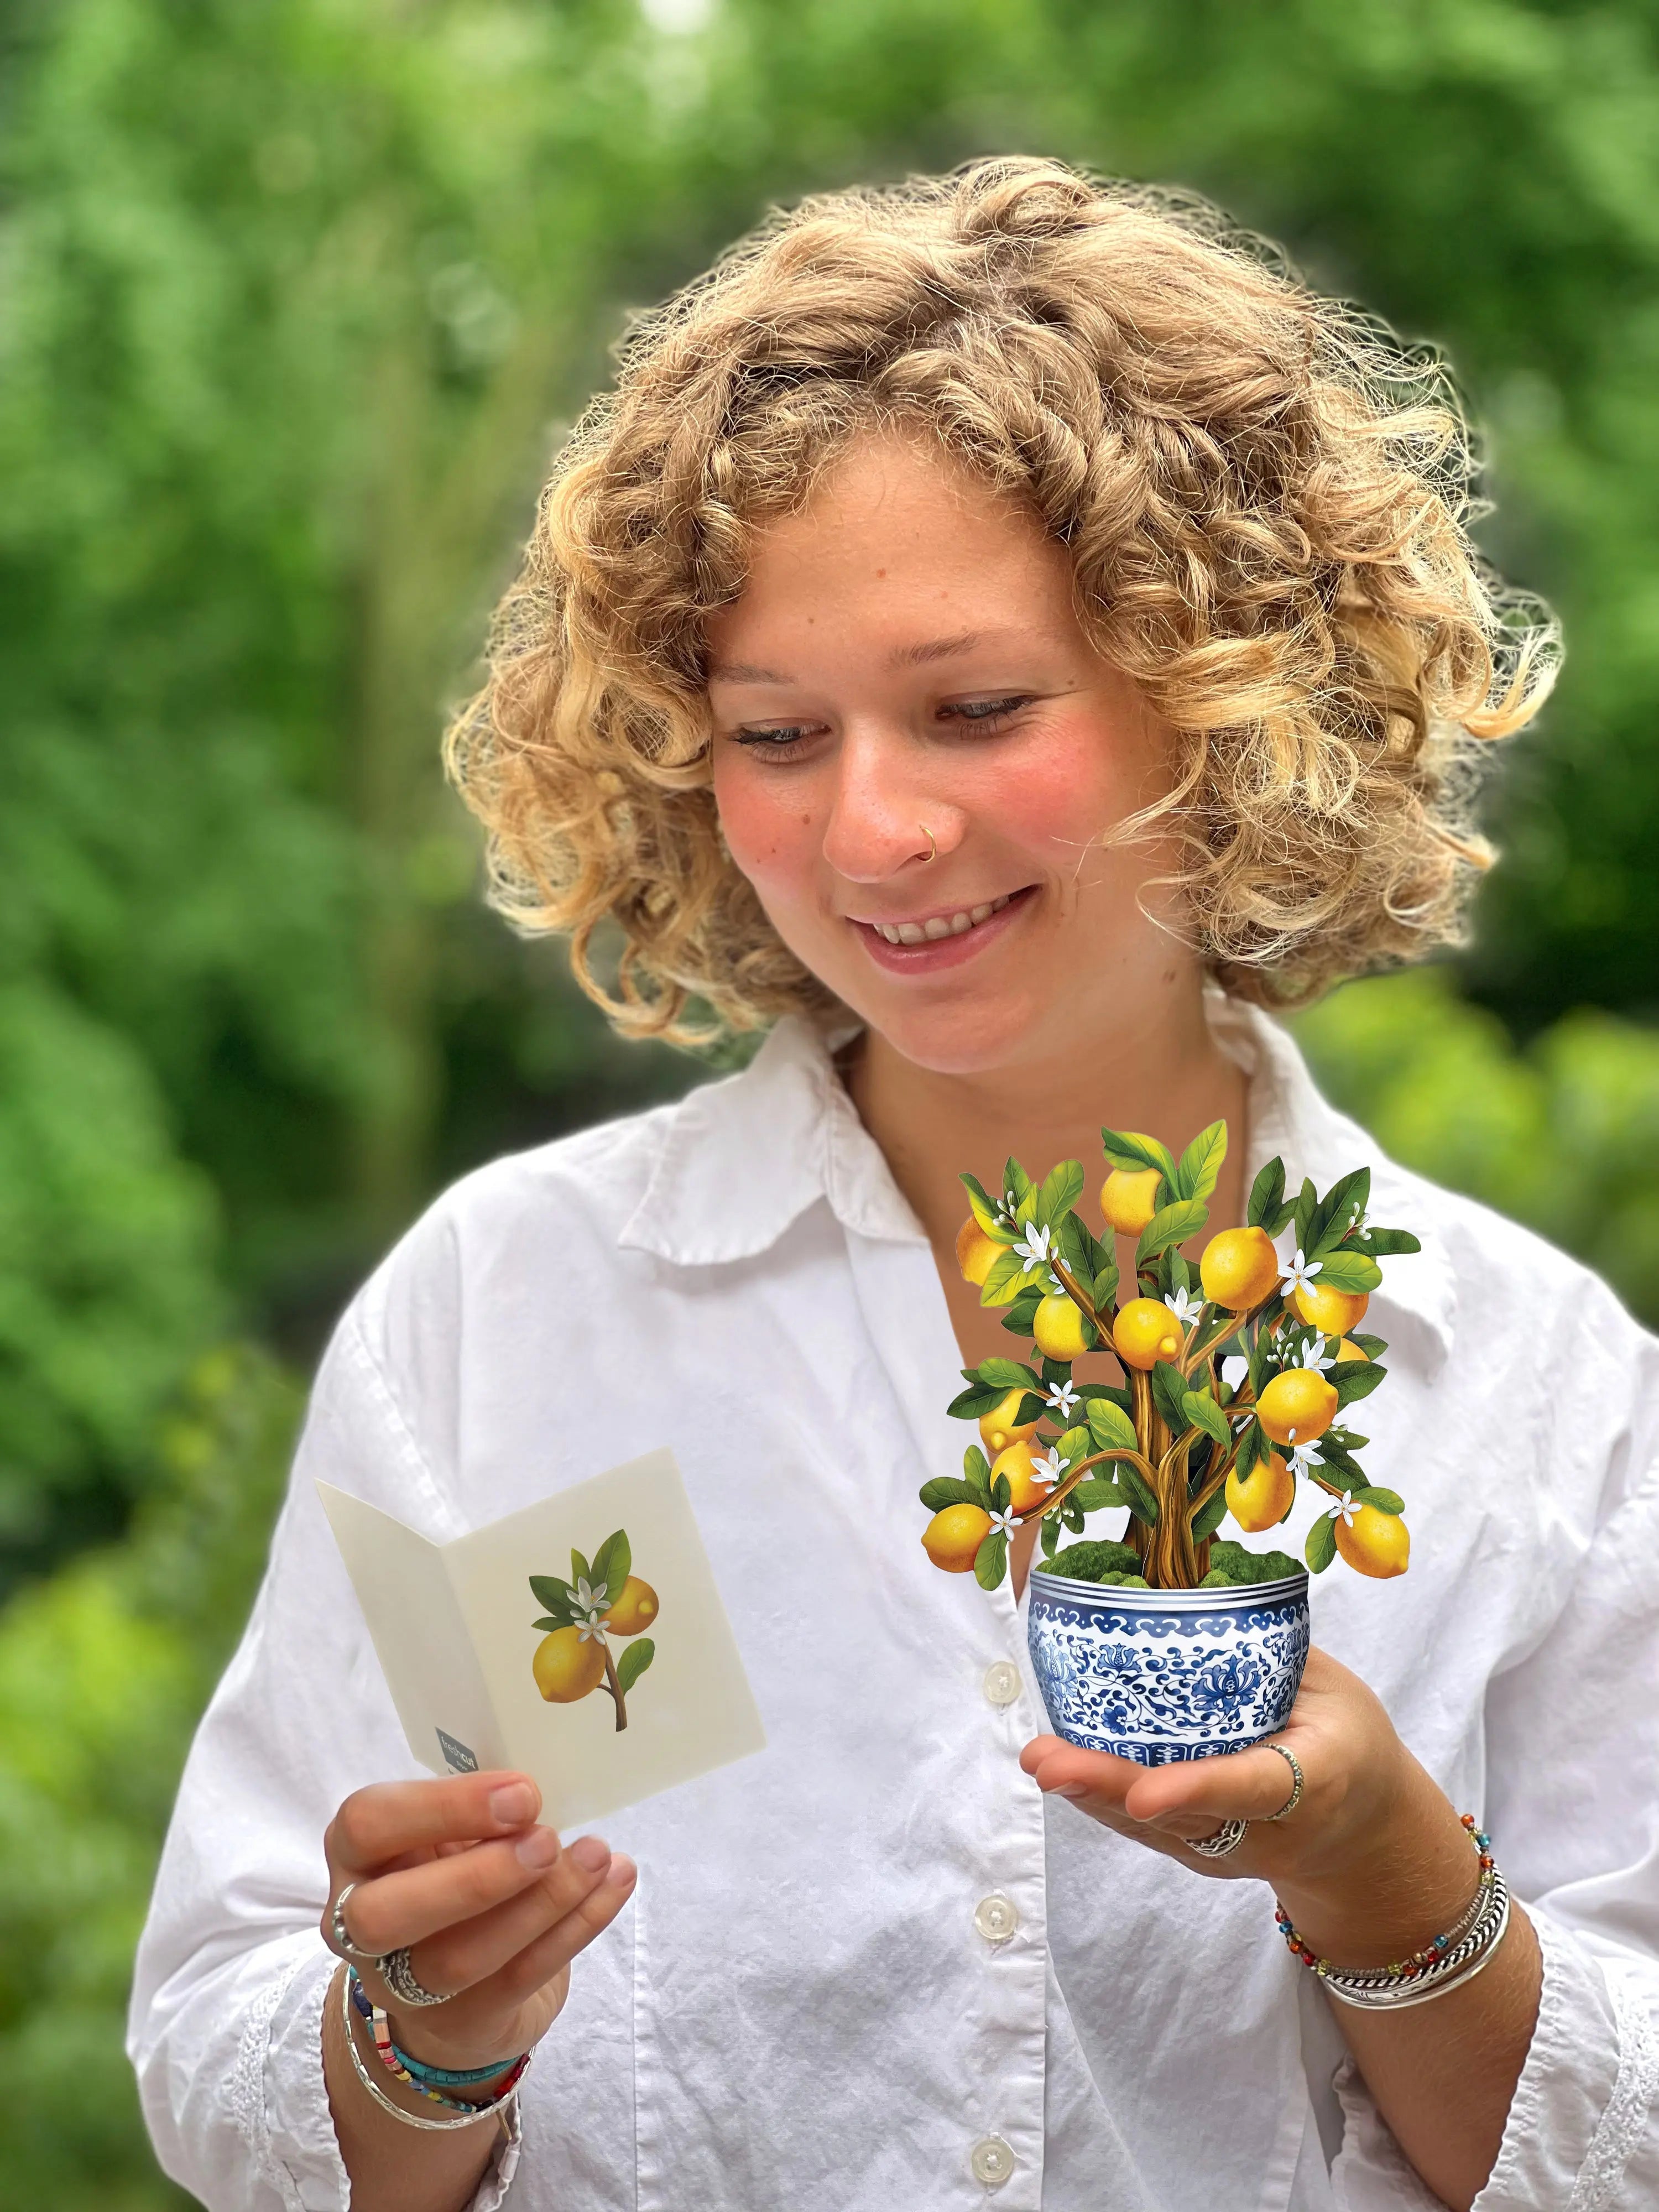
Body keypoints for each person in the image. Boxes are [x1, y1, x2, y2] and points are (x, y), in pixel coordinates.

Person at [130, 158, 1659, 2212]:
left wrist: (1393, 1883)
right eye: (774, 732)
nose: (873, 832)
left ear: (1224, 692)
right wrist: (415, 2032)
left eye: (976, 709)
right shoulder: (508, 1315)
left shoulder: (1534, 1392)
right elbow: (223, 2056)